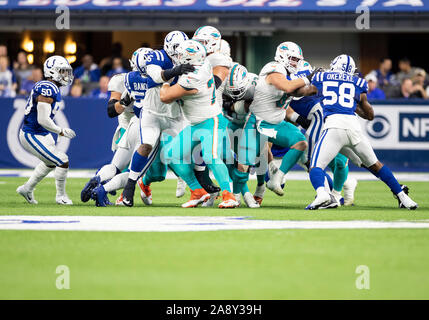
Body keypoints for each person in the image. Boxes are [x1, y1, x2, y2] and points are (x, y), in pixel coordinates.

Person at [298, 54, 418, 210]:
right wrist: (352, 103)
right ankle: (404, 198)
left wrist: (308, 77)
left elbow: (299, 93)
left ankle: (322, 194)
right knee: (376, 165)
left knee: (315, 166)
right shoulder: (358, 82)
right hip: (354, 128)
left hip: (333, 127)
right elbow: (370, 115)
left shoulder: (322, 77)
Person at [160, 39, 239, 208]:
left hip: (211, 121)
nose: (178, 57)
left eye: (181, 55)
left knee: (212, 156)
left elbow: (165, 97)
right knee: (171, 153)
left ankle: (229, 195)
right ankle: (197, 192)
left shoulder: (193, 77)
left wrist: (165, 81)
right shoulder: (202, 66)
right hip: (195, 124)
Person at [120, 31, 193, 207]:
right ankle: (128, 189)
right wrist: (176, 70)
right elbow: (155, 75)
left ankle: (198, 189)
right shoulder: (157, 56)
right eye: (176, 48)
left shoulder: (190, 58)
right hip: (152, 112)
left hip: (175, 114)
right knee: (146, 146)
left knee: (186, 150)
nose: (179, 52)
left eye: (182, 48)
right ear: (168, 46)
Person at [231, 42, 310, 200]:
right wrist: (308, 78)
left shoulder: (290, 74)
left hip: (277, 123)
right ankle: (234, 196)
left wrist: (317, 83)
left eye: (297, 60)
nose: (295, 63)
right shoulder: (274, 68)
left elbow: (302, 90)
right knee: (244, 164)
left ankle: (276, 178)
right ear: (282, 56)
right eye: (293, 59)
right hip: (258, 122)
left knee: (301, 142)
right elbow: (288, 87)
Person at [16, 55, 76, 205]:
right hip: (32, 134)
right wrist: (60, 131)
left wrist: (56, 131)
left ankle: (27, 188)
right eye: (62, 71)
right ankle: (60, 196)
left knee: (50, 162)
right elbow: (42, 119)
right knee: (62, 160)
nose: (66, 75)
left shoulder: (53, 87)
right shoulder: (47, 88)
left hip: (41, 133)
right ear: (52, 72)